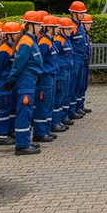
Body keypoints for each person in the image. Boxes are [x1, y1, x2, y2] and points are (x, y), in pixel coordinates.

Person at [2, 11, 45, 155]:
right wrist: (11, 79)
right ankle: (21, 145)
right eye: (38, 24)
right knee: (24, 112)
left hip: (30, 79)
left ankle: (25, 140)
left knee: (27, 112)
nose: (40, 27)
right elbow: (19, 63)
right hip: (26, 79)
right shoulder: (26, 41)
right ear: (30, 25)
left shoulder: (30, 39)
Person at [0, 22, 22, 146]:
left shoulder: (13, 47)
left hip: (11, 83)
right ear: (9, 36)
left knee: (12, 108)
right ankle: (1, 136)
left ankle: (10, 131)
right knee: (5, 109)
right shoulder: (4, 50)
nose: (19, 36)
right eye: (16, 34)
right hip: (4, 84)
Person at [33, 15, 60, 143]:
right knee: (43, 105)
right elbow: (40, 61)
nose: (58, 29)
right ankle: (39, 132)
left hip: (51, 76)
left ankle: (46, 129)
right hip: (45, 77)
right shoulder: (44, 42)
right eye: (56, 27)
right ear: (49, 28)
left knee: (49, 103)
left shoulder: (50, 41)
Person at [51, 17, 74, 133]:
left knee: (64, 95)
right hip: (61, 72)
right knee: (58, 97)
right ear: (62, 29)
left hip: (66, 70)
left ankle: (59, 119)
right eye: (68, 29)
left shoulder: (65, 39)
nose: (70, 31)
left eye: (70, 29)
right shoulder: (58, 40)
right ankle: (55, 122)